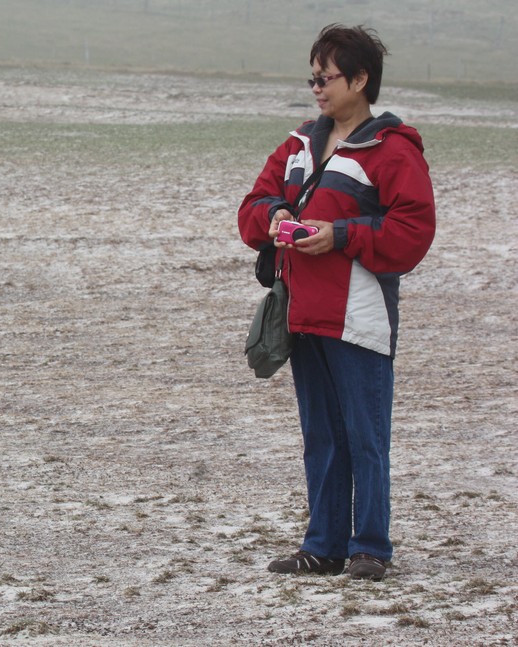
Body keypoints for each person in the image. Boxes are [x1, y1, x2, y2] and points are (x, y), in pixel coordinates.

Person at [238, 24, 436, 580]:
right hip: (303, 315)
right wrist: (274, 215)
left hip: (359, 318)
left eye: (326, 77)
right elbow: (252, 204)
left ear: (360, 79)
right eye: (314, 77)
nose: (318, 88)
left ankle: (370, 546)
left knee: (365, 436)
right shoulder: (300, 143)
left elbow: (412, 232)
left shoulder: (392, 150)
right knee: (322, 436)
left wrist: (342, 235)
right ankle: (322, 545)